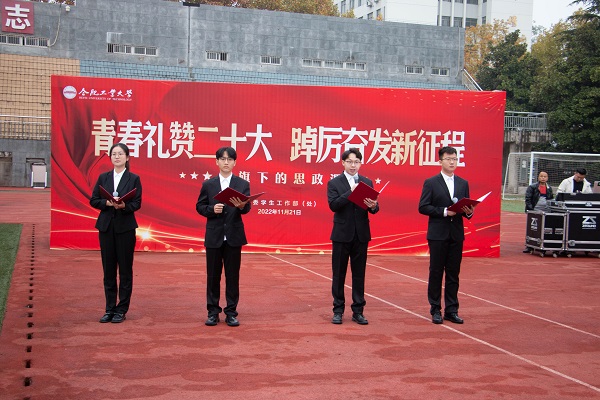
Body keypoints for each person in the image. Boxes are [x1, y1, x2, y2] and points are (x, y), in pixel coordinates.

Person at [418, 146, 475, 325]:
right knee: (436, 272)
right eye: (448, 159)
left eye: (455, 159)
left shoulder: (463, 183)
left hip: (456, 234)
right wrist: (444, 212)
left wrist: (469, 212)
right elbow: (423, 207)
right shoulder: (431, 182)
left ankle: (452, 310)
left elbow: (467, 208)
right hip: (438, 234)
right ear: (440, 161)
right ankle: (435, 309)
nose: (452, 162)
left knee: (453, 273)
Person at [196, 147, 251, 327]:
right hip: (214, 236)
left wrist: (242, 206)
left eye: (230, 159)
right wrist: (212, 209)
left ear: (235, 162)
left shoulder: (242, 184)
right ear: (217, 162)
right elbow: (200, 206)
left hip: (233, 236)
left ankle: (231, 312)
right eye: (222, 159)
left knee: (232, 276)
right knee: (213, 276)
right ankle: (213, 312)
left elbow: (247, 208)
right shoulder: (209, 184)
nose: (226, 162)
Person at [90, 143, 142, 324]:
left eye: (120, 154)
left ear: (127, 158)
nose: (117, 157)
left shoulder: (133, 178)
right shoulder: (103, 177)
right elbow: (94, 200)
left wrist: (124, 206)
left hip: (125, 228)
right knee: (109, 269)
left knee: (125, 270)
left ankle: (122, 309)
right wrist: (108, 203)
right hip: (106, 227)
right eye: (114, 154)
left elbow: (137, 203)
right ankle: (109, 308)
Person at [327, 148, 379, 325]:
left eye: (356, 162)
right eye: (349, 162)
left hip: (361, 234)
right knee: (339, 274)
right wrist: (351, 191)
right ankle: (338, 310)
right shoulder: (335, 183)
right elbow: (334, 205)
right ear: (343, 163)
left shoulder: (367, 182)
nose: (353, 165)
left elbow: (374, 208)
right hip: (342, 235)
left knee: (359, 274)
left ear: (360, 163)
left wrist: (373, 206)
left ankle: (358, 311)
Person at [523, 171, 554, 253]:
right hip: (535, 209)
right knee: (533, 227)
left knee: (545, 227)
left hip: (546, 210)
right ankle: (529, 245)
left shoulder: (549, 188)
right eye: (541, 176)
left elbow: (551, 198)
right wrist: (531, 209)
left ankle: (543, 244)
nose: (543, 178)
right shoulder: (532, 187)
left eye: (545, 176)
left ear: (547, 178)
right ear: (538, 177)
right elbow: (528, 199)